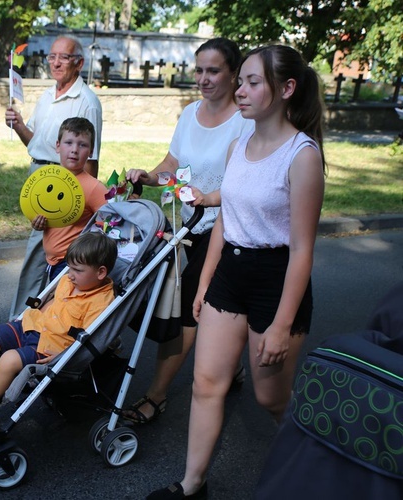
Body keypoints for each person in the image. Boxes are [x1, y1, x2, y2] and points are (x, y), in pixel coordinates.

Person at [146, 44, 326, 499]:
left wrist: (282, 326)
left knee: (270, 398)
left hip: (276, 280)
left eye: (251, 82)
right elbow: (227, 218)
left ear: (286, 89)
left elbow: (303, 249)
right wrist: (205, 281)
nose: (240, 91)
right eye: (240, 81)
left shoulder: (302, 156)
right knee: (207, 383)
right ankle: (192, 485)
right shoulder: (238, 144)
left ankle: (318, 459)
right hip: (230, 271)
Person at [122, 38, 253, 424]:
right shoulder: (189, 113)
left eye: (213, 71)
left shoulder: (245, 122)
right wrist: (147, 177)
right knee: (182, 310)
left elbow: (243, 184)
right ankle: (233, 369)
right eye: (199, 70)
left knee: (187, 316)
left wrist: (207, 199)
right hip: (180, 227)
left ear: (233, 74)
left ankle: (156, 396)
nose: (204, 79)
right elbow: (173, 166)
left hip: (221, 232)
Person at [0, 231, 117, 419]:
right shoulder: (68, 281)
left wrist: (63, 356)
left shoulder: (101, 302)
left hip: (50, 346)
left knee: (9, 359)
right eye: (69, 268)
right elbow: (53, 301)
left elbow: (91, 336)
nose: (70, 275)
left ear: (101, 272)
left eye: (77, 270)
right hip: (33, 325)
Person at [5, 35, 103, 319]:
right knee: (41, 253)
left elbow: (90, 158)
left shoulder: (87, 101)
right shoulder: (48, 95)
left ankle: (22, 321)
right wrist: (19, 124)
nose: (56, 63)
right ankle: (36, 318)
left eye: (64, 57)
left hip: (64, 184)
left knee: (43, 256)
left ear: (79, 63)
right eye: (52, 57)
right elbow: (35, 144)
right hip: (39, 175)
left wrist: (82, 209)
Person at [31, 117, 109, 282]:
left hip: (73, 266)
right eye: (69, 143)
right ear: (57, 146)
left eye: (82, 145)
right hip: (52, 261)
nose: (74, 150)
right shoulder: (48, 180)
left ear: (91, 150)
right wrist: (38, 223)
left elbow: (109, 225)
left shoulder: (94, 188)